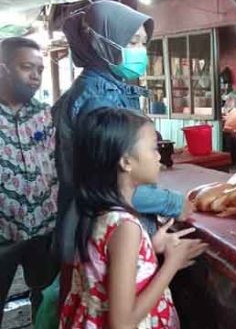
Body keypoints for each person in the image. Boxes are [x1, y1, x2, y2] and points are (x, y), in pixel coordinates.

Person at [52, 0, 193, 303]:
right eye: (132, 42)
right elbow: (110, 185)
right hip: (99, 233)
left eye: (143, 42)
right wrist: (171, 202)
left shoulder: (111, 88)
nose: (140, 50)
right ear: (101, 42)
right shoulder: (97, 99)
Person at [59, 108, 206, 328]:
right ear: (126, 162)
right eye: (153, 148)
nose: (159, 156)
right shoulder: (125, 227)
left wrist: (150, 248)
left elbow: (103, 264)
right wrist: (172, 264)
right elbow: (122, 322)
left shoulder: (97, 209)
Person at [0, 37, 58, 324]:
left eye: (40, 69)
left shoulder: (45, 115)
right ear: (3, 69)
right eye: (27, 67)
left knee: (45, 297)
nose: (35, 76)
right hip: (2, 233)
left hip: (43, 228)